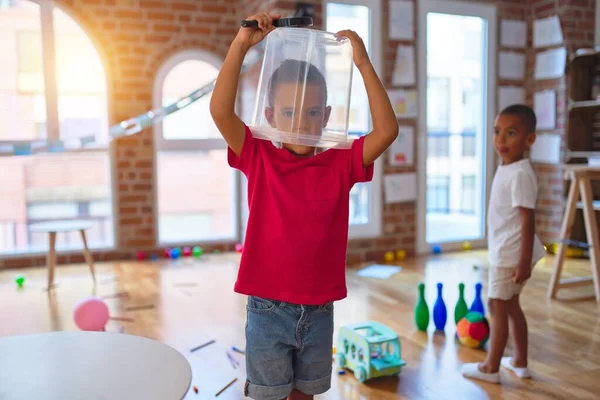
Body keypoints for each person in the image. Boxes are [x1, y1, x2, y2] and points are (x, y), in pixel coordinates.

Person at [210, 12, 398, 400]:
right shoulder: (258, 156)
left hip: (318, 311)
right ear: (269, 116)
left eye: (313, 112)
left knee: (305, 396)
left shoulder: (342, 161)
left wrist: (362, 63)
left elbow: (387, 131)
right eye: (289, 112)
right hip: (267, 311)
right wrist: (240, 45)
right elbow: (221, 112)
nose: (302, 122)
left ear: (327, 117)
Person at [462, 104, 546, 384]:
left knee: (497, 305)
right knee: (510, 305)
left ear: (529, 139)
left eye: (511, 133)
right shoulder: (509, 167)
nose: (501, 140)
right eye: (498, 132)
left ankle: (491, 368)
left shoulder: (520, 173)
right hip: (509, 250)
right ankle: (519, 361)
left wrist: (523, 262)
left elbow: (528, 220)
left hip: (511, 254)